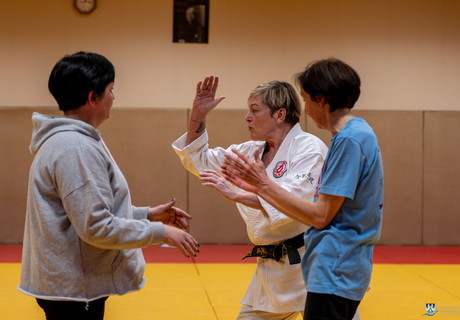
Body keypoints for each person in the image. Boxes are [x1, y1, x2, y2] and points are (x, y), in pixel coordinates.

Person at [18, 51, 199, 320]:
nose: (114, 98)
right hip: (74, 292)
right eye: (111, 90)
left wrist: (145, 214)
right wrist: (160, 232)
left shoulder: (74, 141)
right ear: (93, 98)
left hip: (71, 286)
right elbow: (95, 226)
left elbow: (82, 211)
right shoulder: (74, 147)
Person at [222, 58, 384, 320]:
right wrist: (248, 192)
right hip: (334, 267)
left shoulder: (349, 141)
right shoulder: (357, 134)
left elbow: (320, 216)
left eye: (307, 100)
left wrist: (262, 185)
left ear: (321, 100)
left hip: (335, 268)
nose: (305, 110)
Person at [172, 76, 329, 319]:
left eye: (255, 110)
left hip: (312, 265)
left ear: (279, 115)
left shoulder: (309, 148)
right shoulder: (250, 151)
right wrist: (197, 116)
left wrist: (237, 194)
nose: (247, 117)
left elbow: (293, 203)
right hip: (272, 269)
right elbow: (199, 160)